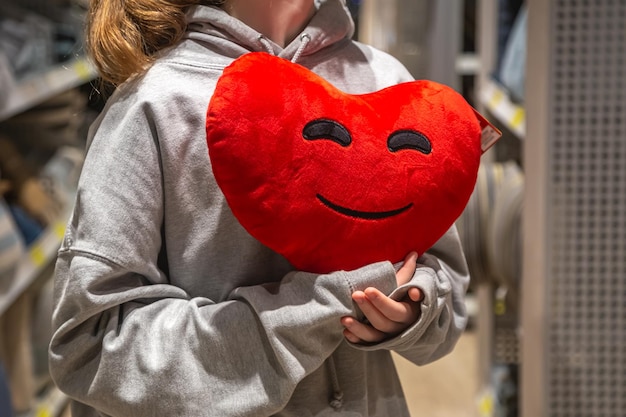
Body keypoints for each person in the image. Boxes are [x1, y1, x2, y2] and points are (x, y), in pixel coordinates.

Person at [48, 0, 471, 416]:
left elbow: (447, 296)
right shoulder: (158, 101)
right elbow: (91, 346)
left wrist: (415, 306)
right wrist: (312, 312)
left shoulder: (385, 80)